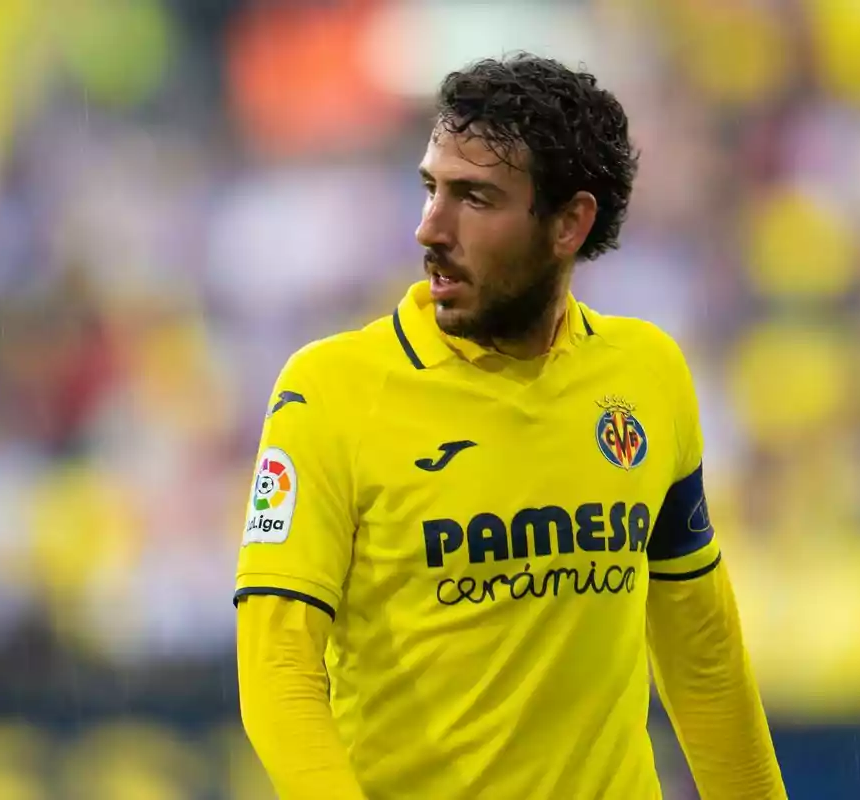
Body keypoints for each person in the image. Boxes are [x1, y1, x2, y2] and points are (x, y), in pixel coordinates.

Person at [234, 53, 786, 800]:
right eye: (430, 188)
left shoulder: (646, 375)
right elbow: (277, 667)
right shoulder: (330, 392)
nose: (431, 227)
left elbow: (701, 648)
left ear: (569, 222)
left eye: (476, 198)